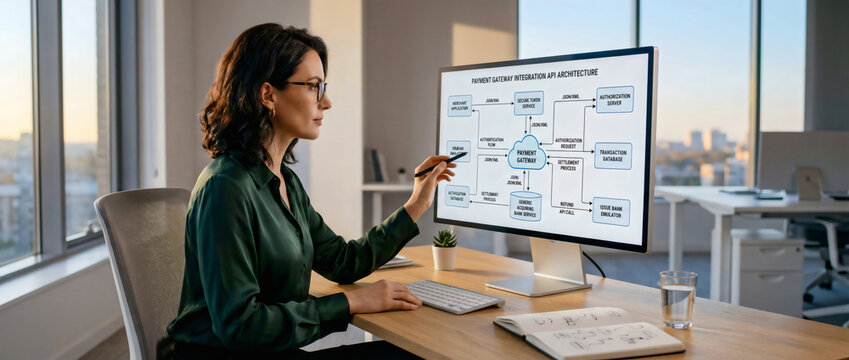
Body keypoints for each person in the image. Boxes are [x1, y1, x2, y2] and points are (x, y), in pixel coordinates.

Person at [165, 23, 456, 359]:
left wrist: (417, 202)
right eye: (314, 87)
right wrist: (349, 303)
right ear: (268, 94)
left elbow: (343, 262)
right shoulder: (225, 188)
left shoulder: (285, 181)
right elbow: (241, 326)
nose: (327, 102)